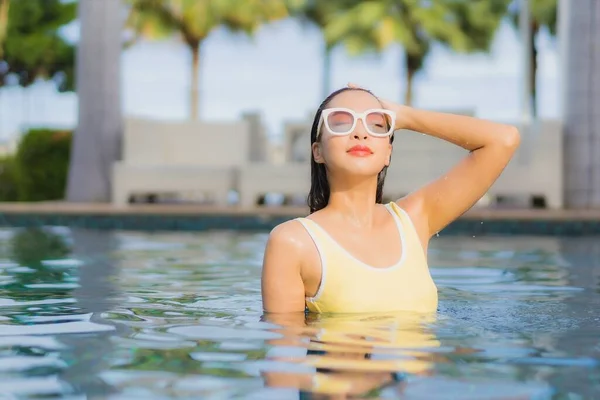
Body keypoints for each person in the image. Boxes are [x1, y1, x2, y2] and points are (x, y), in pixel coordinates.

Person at [261, 84, 520, 314]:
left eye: (376, 123)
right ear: (317, 152)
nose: (360, 132)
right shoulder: (293, 242)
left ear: (388, 153)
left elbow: (503, 140)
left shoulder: (415, 220)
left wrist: (406, 116)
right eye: (341, 122)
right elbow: (286, 357)